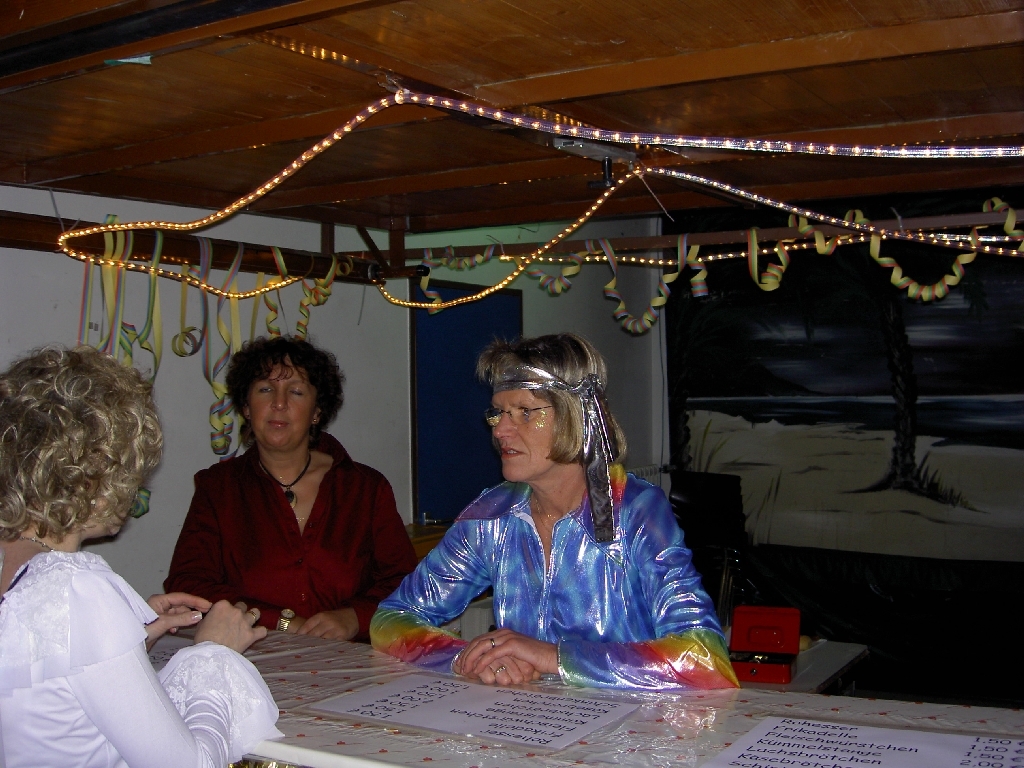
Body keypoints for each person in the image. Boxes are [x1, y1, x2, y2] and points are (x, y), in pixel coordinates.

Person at [371, 333, 738, 691]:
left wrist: (555, 657)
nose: (501, 431)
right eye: (499, 413)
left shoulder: (634, 511)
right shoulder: (492, 516)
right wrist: (471, 657)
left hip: (627, 723)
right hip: (525, 719)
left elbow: (705, 658)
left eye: (524, 412)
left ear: (575, 416)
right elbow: (391, 619)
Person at [0, 346, 281, 768]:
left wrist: (130, 638)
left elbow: (47, 688)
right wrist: (213, 653)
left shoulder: (20, 569)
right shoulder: (76, 589)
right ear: (95, 475)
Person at [165, 336, 418, 641]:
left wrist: (355, 616)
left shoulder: (365, 488)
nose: (279, 403)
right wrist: (282, 621)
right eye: (265, 389)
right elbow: (188, 585)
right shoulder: (218, 488)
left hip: (355, 657)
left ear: (317, 412)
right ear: (246, 407)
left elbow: (408, 585)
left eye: (296, 392)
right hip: (252, 657)